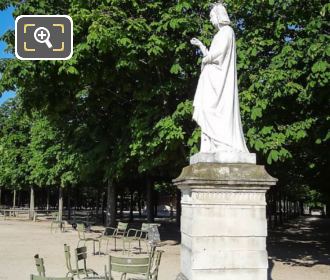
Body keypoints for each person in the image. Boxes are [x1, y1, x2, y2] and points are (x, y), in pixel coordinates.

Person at [190, 2, 249, 153]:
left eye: (212, 17)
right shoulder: (220, 34)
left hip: (219, 82)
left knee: (211, 109)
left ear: (219, 16)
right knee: (205, 108)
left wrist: (206, 58)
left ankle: (223, 143)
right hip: (212, 80)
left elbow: (218, 55)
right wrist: (202, 47)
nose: (210, 20)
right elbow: (213, 55)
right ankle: (210, 145)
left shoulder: (227, 32)